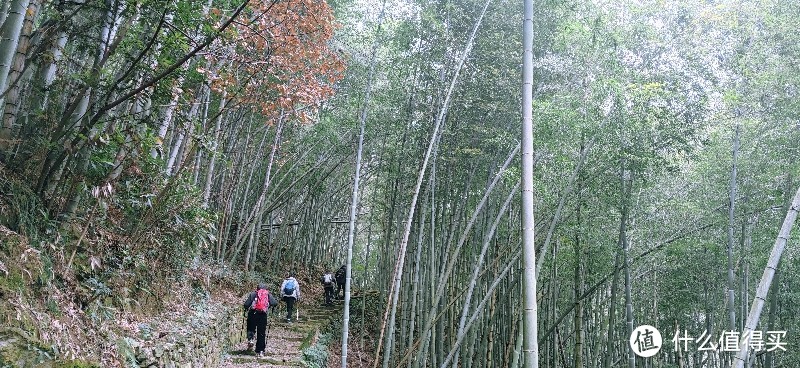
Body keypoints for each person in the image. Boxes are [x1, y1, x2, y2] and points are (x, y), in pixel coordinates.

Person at [242, 283, 277, 357]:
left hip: (253, 314)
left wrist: (245, 308)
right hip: (263, 315)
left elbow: (246, 304)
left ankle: (251, 339)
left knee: (251, 328)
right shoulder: (268, 295)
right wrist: (269, 306)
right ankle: (260, 351)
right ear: (266, 289)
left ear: (257, 288)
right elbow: (274, 303)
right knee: (261, 333)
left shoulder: (253, 294)